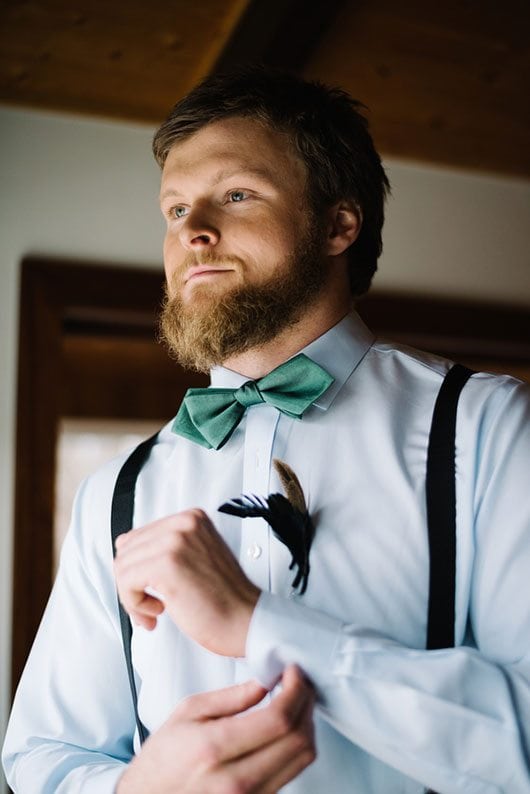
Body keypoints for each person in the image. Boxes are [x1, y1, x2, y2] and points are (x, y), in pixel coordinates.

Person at [3, 66, 530, 793]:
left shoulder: (485, 427)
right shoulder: (116, 491)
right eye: (175, 209)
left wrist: (259, 623)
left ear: (340, 224)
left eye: (237, 194)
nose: (192, 231)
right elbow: (39, 754)